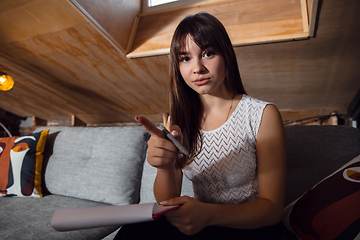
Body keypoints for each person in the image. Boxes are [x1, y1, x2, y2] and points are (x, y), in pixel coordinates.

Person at [114, 12, 286, 239]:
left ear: (226, 55)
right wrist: (164, 166)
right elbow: (167, 202)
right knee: (133, 230)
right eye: (185, 58)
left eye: (207, 53)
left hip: (250, 228)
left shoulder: (262, 114)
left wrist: (209, 214)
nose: (197, 68)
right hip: (201, 224)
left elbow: (272, 210)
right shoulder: (179, 121)